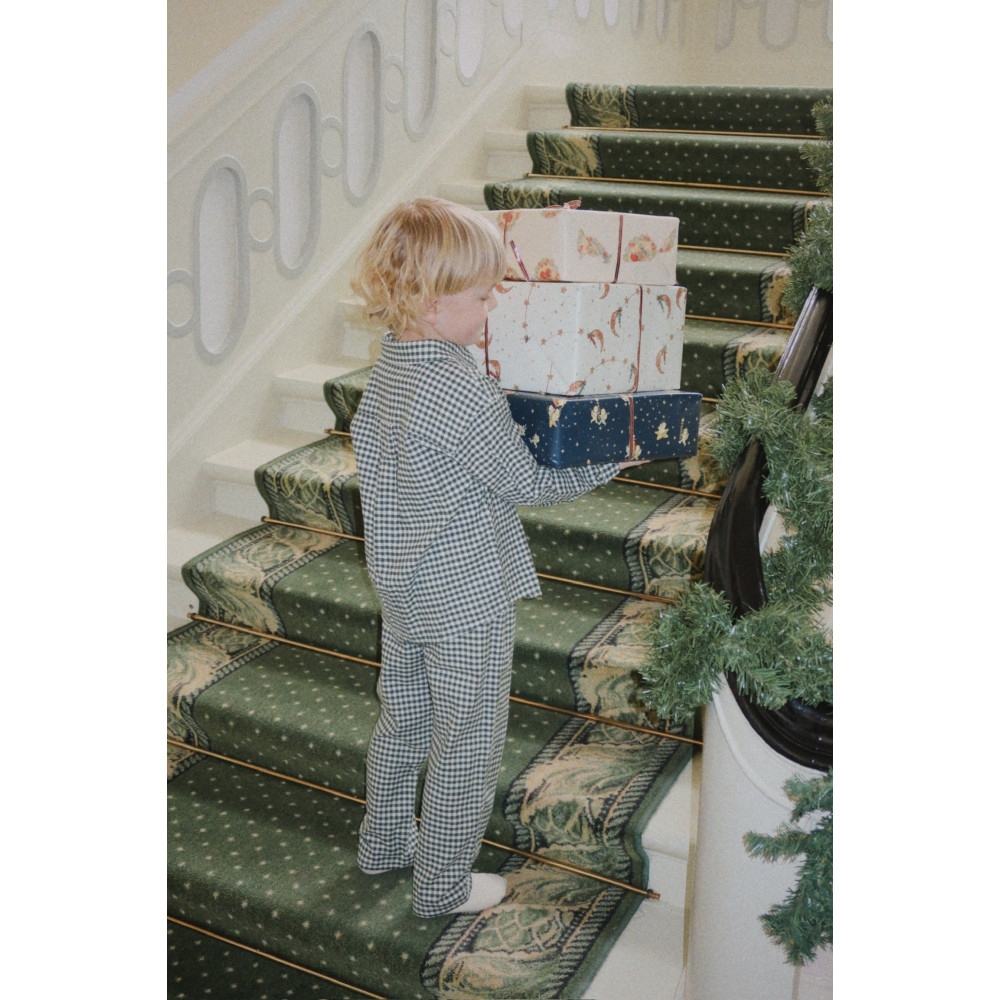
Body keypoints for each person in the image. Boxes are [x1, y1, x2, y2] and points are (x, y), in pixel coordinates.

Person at [349, 197, 624, 918]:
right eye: (481, 295)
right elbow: (531, 483)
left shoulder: (392, 366)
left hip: (403, 589)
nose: (492, 303)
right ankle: (442, 885)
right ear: (433, 304)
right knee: (467, 743)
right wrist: (615, 454)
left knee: (403, 724)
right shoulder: (459, 384)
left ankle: (385, 842)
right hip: (464, 596)